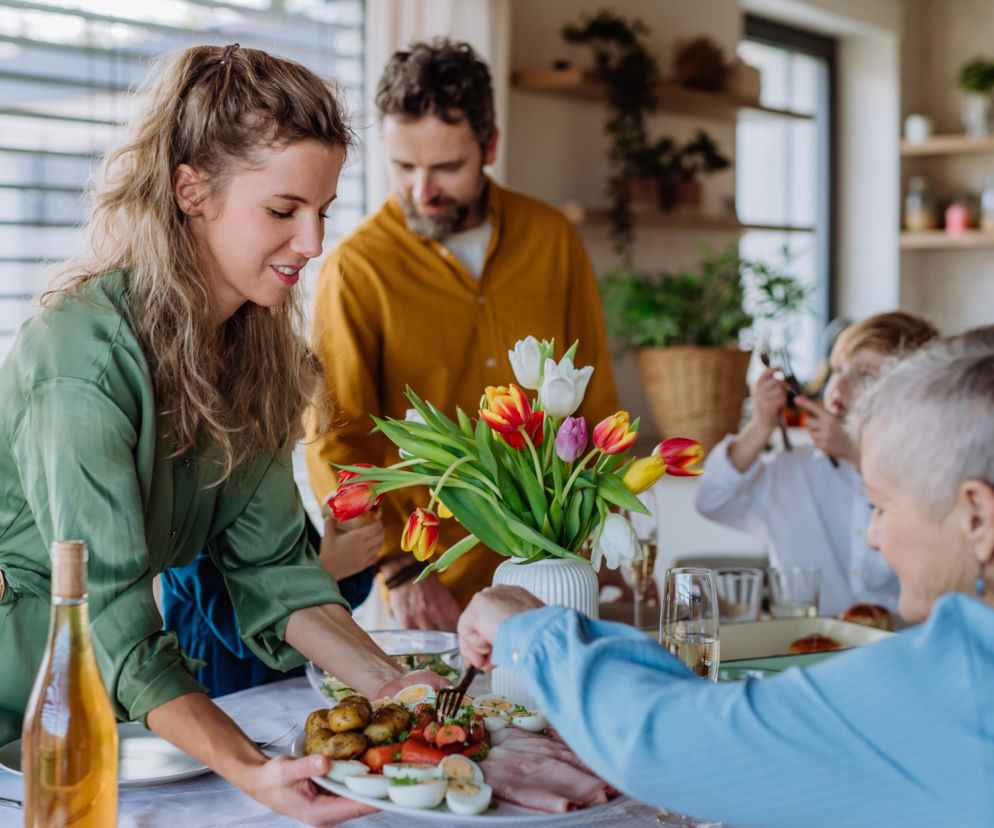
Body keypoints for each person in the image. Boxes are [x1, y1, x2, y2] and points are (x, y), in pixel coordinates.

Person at [0, 44, 446, 826]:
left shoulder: (255, 354)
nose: (312, 243)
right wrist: (251, 771)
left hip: (110, 707)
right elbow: (106, 613)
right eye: (283, 211)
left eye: (322, 211)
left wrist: (394, 685)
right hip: (20, 696)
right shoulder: (80, 362)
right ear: (190, 190)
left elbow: (274, 570)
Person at [457, 337, 994, 828]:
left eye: (882, 505)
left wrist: (530, 627)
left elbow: (668, 743)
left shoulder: (955, 681)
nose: (874, 534)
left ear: (976, 516)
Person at [303, 38, 618, 630]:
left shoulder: (553, 239)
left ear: (490, 146)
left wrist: (606, 540)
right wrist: (396, 568)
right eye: (404, 167)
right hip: (426, 583)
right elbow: (338, 439)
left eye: (446, 167)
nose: (422, 190)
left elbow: (594, 398)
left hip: (555, 568)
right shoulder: (355, 268)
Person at [694, 311, 939, 615]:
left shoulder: (930, 480)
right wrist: (760, 426)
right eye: (837, 369)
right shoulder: (792, 468)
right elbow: (712, 500)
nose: (839, 384)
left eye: (865, 375)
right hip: (806, 645)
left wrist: (859, 457)